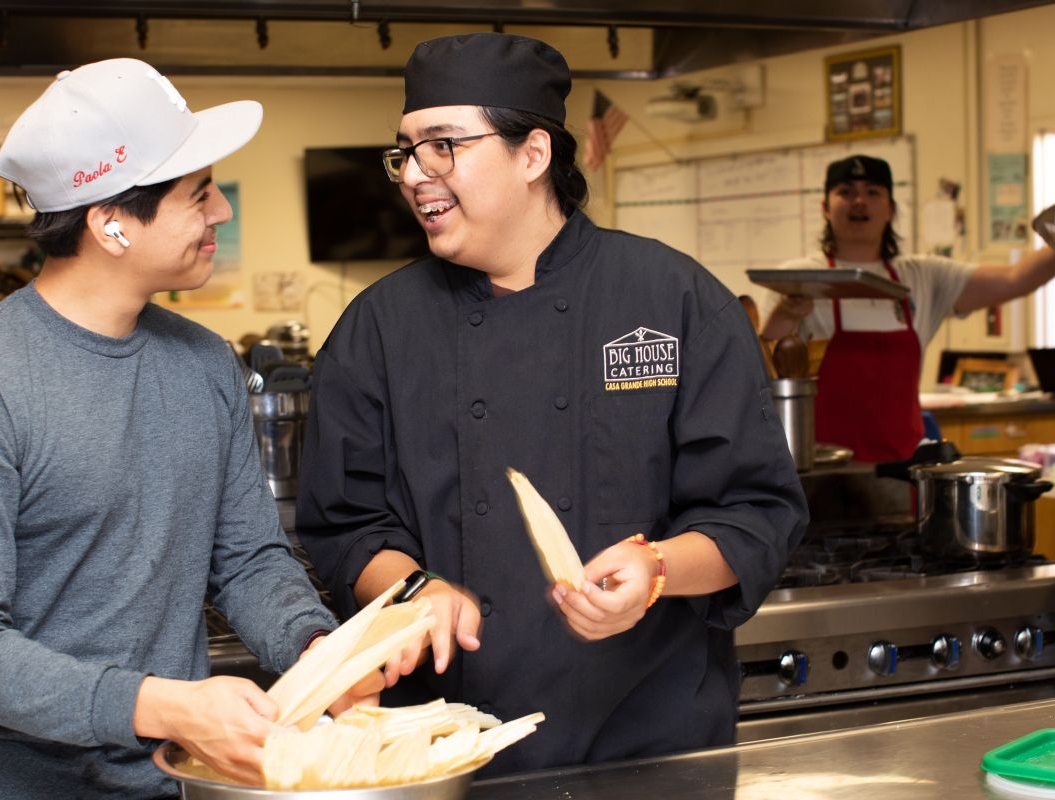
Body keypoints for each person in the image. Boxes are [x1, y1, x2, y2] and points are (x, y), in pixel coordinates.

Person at [295, 33, 808, 777]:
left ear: (533, 155)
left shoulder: (673, 299)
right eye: (404, 151)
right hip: (443, 755)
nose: (413, 175)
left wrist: (658, 569)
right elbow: (345, 525)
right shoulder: (377, 329)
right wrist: (415, 588)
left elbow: (758, 512)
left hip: (651, 744)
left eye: (442, 146)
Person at [0, 59, 379, 797]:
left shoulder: (205, 363)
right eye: (197, 194)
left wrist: (316, 648)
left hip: (166, 781)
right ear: (110, 223)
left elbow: (246, 558)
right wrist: (165, 705)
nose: (220, 212)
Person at [759, 155, 1055, 463]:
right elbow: (762, 369)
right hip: (826, 468)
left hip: (905, 469)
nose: (859, 201)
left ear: (891, 209)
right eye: (846, 192)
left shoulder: (922, 276)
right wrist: (785, 315)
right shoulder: (798, 278)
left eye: (872, 192)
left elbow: (1014, 279)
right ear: (825, 207)